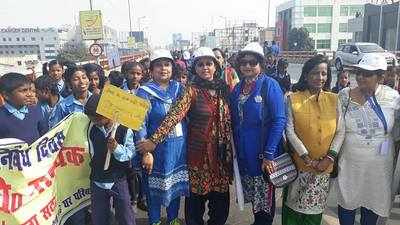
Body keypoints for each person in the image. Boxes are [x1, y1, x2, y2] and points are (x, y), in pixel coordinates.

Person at [137, 47, 233, 225]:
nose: (205, 67)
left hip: (220, 158)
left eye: (209, 64)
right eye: (201, 64)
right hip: (199, 158)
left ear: (216, 67)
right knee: (195, 207)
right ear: (194, 68)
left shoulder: (224, 90)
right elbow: (174, 116)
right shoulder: (190, 91)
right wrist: (153, 141)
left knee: (220, 207)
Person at [329, 55, 400, 225]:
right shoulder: (344, 96)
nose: (360, 77)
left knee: (372, 204)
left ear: (380, 77)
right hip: (350, 164)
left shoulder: (393, 98)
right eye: (359, 72)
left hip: (379, 167)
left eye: (367, 74)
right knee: (347, 203)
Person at [230, 42, 286, 225]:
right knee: (255, 202)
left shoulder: (270, 85)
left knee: (264, 207)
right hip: (245, 156)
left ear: (260, 64)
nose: (247, 66)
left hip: (264, 157)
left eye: (252, 62)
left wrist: (269, 154)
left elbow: (279, 120)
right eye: (244, 62)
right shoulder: (238, 88)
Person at [134, 49, 189, 225]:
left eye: (167, 64)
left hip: (178, 148)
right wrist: (145, 152)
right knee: (153, 190)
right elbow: (140, 123)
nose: (163, 69)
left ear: (173, 67)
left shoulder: (180, 89)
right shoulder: (144, 92)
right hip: (155, 149)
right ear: (151, 70)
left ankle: (173, 219)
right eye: (158, 65)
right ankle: (155, 220)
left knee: (174, 187)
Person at [283, 54, 336, 225]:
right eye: (314, 73)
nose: (319, 77)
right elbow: (289, 131)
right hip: (298, 165)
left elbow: (340, 131)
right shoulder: (293, 99)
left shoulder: (335, 100)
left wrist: (329, 158)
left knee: (313, 215)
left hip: (323, 168)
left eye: (323, 74)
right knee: (292, 211)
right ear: (306, 75)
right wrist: (306, 157)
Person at [84, 94, 137, 225]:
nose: (94, 121)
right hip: (98, 179)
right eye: (91, 119)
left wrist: (116, 149)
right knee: (99, 216)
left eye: (97, 118)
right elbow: (91, 152)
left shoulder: (124, 129)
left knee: (125, 215)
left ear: (108, 113)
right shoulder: (91, 128)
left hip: (118, 179)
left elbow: (130, 153)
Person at [0, 73, 48, 144]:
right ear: (6, 95)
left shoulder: (35, 109)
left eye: (30, 89)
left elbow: (45, 133)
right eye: (23, 90)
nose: (29, 94)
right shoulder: (2, 117)